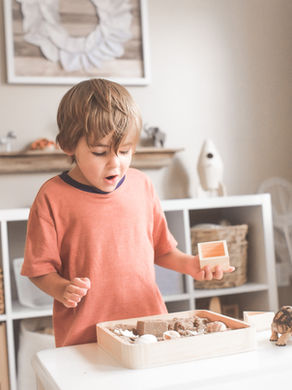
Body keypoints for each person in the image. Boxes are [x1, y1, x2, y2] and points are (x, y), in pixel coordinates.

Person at [21, 78, 234, 348]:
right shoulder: (52, 196)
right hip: (86, 336)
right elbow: (38, 269)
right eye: (99, 152)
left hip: (149, 327)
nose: (115, 163)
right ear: (68, 145)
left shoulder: (142, 185)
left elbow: (162, 250)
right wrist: (62, 289)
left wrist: (192, 266)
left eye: (125, 151)